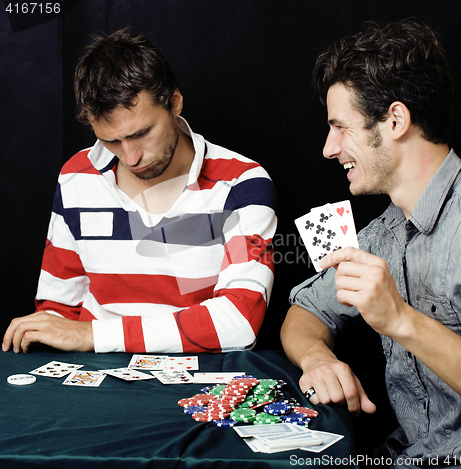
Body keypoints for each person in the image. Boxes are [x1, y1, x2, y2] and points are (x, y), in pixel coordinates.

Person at [280, 19, 461, 464]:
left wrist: (400, 319)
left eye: (341, 127)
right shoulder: (383, 233)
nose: (328, 148)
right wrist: (318, 360)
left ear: (395, 120)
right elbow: (303, 314)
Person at [2, 28, 277, 354]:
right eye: (111, 141)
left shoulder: (242, 182)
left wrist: (92, 336)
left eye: (142, 133)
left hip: (196, 385)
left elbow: (238, 323)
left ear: (174, 103)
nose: (131, 157)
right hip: (93, 379)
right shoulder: (77, 175)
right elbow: (59, 310)